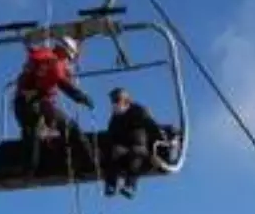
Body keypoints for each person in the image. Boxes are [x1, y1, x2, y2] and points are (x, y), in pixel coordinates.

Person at [13, 36, 95, 173]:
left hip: (22, 104)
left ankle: (29, 170)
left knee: (32, 136)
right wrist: (82, 97)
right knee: (70, 128)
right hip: (38, 103)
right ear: (64, 51)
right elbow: (62, 82)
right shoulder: (54, 62)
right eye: (68, 58)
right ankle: (89, 162)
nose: (67, 62)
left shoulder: (42, 56)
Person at [103, 87, 166, 198]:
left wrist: (160, 146)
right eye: (113, 102)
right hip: (124, 148)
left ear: (125, 100)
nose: (114, 104)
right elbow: (111, 135)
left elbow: (152, 127)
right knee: (114, 151)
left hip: (141, 149)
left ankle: (130, 185)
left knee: (135, 152)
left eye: (117, 101)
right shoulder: (116, 117)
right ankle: (112, 183)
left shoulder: (138, 111)